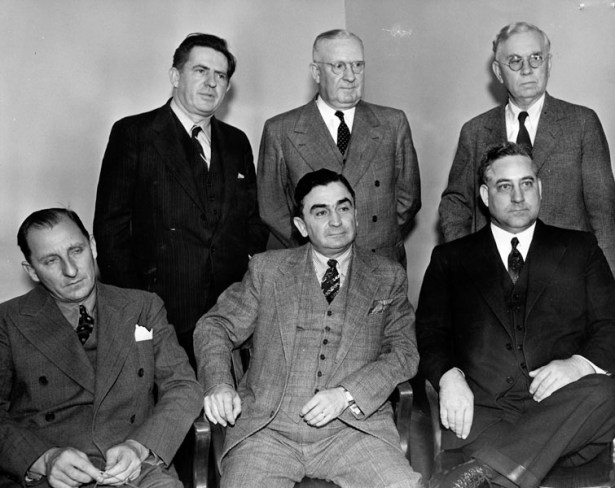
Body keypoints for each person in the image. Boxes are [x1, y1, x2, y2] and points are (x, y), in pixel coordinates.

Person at [194, 169, 421, 487]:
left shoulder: (387, 276)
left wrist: (346, 395)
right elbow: (214, 326)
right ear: (301, 226)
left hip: (355, 431)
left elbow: (404, 352)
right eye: (321, 212)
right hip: (269, 432)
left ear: (356, 214)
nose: (336, 221)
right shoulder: (268, 270)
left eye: (343, 207)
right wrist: (219, 383)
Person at [417, 143, 615, 488]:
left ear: (540, 188)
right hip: (484, 422)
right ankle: (502, 469)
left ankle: (481, 473)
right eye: (504, 186)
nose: (519, 196)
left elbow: (611, 324)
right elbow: (430, 333)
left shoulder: (581, 248)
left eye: (526, 183)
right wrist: (449, 377)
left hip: (570, 425)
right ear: (485, 195)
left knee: (607, 390)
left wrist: (579, 364)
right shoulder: (450, 258)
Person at [93, 33, 268, 365]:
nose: (211, 83)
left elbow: (253, 220)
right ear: (175, 76)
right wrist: (137, 305)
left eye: (220, 76)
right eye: (200, 71)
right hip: (160, 309)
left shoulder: (237, 142)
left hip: (229, 310)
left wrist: (245, 280)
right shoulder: (135, 134)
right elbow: (110, 228)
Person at [0, 208, 203, 488]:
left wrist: (139, 446)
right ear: (32, 270)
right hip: (52, 479)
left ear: (93, 246)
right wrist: (44, 459)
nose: (71, 270)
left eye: (76, 251)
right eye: (51, 261)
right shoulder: (8, 321)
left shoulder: (143, 307)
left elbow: (183, 386)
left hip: (137, 471)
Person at [438, 21, 615, 273]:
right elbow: (455, 203)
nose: (527, 70)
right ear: (498, 72)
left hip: (566, 275)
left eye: (536, 58)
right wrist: (465, 261)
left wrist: (604, 280)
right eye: (515, 61)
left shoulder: (582, 123)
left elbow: (604, 214)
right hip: (494, 276)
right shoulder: (475, 131)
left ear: (548, 64)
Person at [257, 29, 420, 266]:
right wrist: (316, 245)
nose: (351, 76)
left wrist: (376, 235)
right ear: (316, 72)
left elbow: (408, 199)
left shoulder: (392, 123)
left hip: (380, 262)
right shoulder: (281, 130)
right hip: (314, 264)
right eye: (339, 66)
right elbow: (272, 208)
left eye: (357, 65)